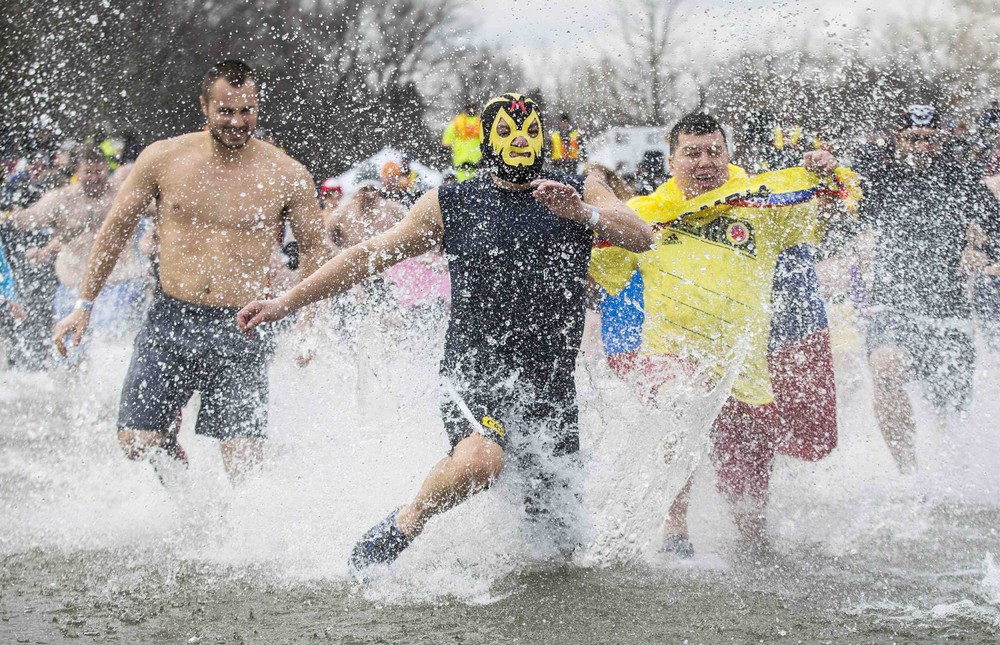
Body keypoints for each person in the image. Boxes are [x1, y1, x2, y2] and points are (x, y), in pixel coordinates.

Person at [237, 92, 654, 570]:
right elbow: (366, 256)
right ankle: (408, 520)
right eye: (506, 132)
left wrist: (585, 215)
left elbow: (641, 236)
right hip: (475, 371)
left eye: (528, 132)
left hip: (549, 385)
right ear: (486, 138)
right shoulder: (454, 201)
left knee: (559, 554)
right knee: (481, 460)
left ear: (543, 137)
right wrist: (287, 301)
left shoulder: (574, 189)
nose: (519, 141)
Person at [591, 112, 855, 555]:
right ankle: (675, 533)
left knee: (749, 501)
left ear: (729, 155)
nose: (704, 162)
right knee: (681, 398)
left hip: (743, 370)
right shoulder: (644, 216)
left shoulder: (759, 204)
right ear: (671, 160)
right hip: (671, 355)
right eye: (691, 153)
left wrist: (826, 172)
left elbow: (824, 215)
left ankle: (753, 543)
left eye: (714, 151)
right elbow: (600, 268)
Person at [51, 60, 328, 481]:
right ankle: (176, 470)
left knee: (244, 465)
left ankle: (231, 539)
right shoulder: (164, 158)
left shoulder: (286, 174)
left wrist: (306, 323)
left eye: (247, 110)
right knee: (135, 443)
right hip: (171, 317)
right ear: (204, 105)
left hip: (244, 323)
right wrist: (84, 304)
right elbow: (114, 232)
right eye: (225, 111)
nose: (237, 122)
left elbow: (314, 251)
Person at [863, 105, 1000, 473]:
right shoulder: (881, 179)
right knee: (885, 368)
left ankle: (948, 482)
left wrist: (988, 256)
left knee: (950, 414)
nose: (921, 148)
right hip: (891, 304)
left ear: (941, 141)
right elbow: (841, 223)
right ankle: (908, 474)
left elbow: (996, 224)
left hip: (949, 311)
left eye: (929, 140)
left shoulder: (961, 178)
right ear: (898, 139)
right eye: (913, 139)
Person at [2, 147, 147, 341]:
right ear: (77, 173)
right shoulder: (62, 199)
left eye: (99, 171)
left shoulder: (122, 194)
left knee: (111, 347)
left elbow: (159, 211)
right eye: (88, 172)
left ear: (106, 168)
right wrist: (6, 218)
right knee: (68, 354)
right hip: (73, 287)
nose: (95, 178)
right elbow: (29, 218)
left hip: (118, 284)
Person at [441, 101, 482, 182]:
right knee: (475, 182)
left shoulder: (458, 120)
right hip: (474, 157)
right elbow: (449, 133)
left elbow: (449, 133)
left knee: (463, 181)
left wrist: (445, 146)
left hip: (462, 157)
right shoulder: (481, 121)